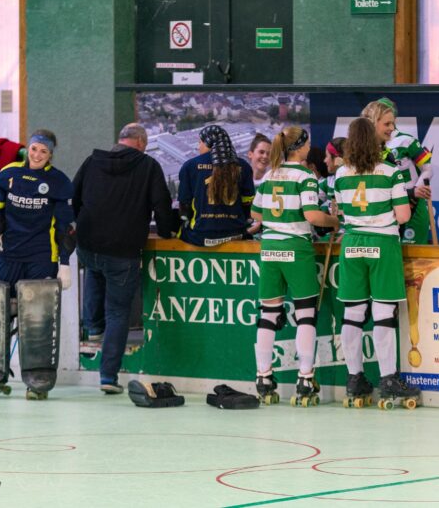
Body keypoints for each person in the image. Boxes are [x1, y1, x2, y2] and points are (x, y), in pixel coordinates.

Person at [0, 129, 75, 399]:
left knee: (37, 318)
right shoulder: (8, 174)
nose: (37, 155)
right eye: (34, 149)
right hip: (10, 256)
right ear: (28, 148)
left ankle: (37, 376)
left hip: (41, 258)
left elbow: (65, 228)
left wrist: (64, 263)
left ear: (51, 155)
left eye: (44, 151)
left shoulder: (59, 182)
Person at [72, 123, 173, 394]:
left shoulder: (92, 161)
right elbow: (162, 205)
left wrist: (82, 225)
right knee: (117, 313)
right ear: (141, 142)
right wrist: (167, 232)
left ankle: (93, 327)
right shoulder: (148, 166)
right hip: (123, 249)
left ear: (120, 140)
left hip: (89, 243)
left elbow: (74, 196)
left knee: (94, 271)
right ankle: (108, 376)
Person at [333, 117, 419, 409]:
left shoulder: (341, 174)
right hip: (382, 243)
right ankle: (388, 379)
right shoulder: (391, 172)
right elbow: (404, 216)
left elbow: (340, 210)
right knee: (383, 312)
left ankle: (354, 378)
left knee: (352, 313)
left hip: (352, 243)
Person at [251, 126, 339, 406]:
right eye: (308, 143)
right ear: (299, 147)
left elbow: (255, 213)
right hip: (295, 248)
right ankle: (305, 378)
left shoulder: (269, 175)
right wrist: (334, 221)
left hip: (270, 248)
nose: (310, 147)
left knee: (268, 315)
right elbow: (313, 216)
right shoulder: (305, 177)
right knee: (305, 315)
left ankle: (263, 378)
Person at [361, 98, 433, 244]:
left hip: (412, 204)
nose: (391, 127)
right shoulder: (362, 148)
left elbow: (428, 169)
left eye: (391, 122)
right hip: (384, 207)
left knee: (414, 254)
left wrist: (414, 192)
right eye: (386, 123)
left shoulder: (406, 140)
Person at [178, 125, 255, 246]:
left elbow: (184, 206)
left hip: (200, 236)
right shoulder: (243, 166)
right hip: (236, 235)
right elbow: (248, 204)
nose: (198, 147)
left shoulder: (190, 166)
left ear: (208, 143)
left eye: (200, 142)